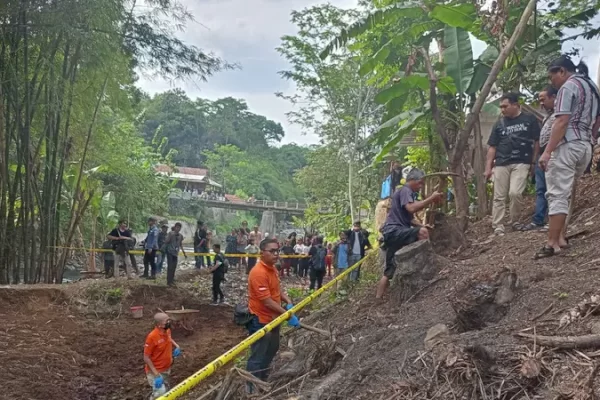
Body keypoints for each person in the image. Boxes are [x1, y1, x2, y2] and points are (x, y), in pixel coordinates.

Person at [536, 56, 600, 258]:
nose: (552, 81)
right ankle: (562, 236)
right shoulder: (592, 87)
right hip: (584, 145)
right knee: (567, 192)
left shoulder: (567, 87)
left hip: (567, 145)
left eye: (552, 76)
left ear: (561, 71)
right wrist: (591, 139)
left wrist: (547, 151)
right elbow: (597, 120)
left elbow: (562, 121)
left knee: (557, 194)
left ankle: (552, 242)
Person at [375, 169, 443, 300]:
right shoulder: (406, 190)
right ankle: (431, 264)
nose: (420, 186)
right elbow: (411, 208)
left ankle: (378, 299)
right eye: (419, 183)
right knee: (423, 233)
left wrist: (422, 225)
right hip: (394, 231)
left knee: (388, 271)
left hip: (391, 233)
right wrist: (431, 198)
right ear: (411, 181)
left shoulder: (403, 193)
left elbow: (409, 219)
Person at [246, 238, 299, 392]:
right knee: (258, 354)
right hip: (260, 320)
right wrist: (288, 315)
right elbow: (267, 302)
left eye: (277, 251)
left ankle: (262, 378)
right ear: (262, 253)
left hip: (275, 318)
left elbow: (277, 290)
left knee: (272, 348)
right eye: (272, 251)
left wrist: (288, 301)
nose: (276, 254)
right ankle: (251, 387)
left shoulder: (272, 269)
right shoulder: (258, 272)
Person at [485, 92, 541, 235]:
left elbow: (537, 141)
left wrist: (534, 161)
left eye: (505, 106)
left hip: (522, 162)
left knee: (515, 193)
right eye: (501, 107)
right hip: (502, 163)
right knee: (499, 196)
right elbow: (492, 146)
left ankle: (515, 220)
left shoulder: (529, 119)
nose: (502, 109)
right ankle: (498, 225)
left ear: (515, 105)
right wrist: (488, 167)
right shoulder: (499, 123)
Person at [521, 87, 558, 231]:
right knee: (541, 189)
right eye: (540, 100)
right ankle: (538, 220)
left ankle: (553, 221)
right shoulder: (548, 116)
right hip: (543, 156)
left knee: (553, 190)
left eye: (544, 99)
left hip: (553, 154)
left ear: (554, 97)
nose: (541, 103)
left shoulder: (561, 115)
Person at [143, 313, 181, 399]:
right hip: (156, 371)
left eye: (169, 320)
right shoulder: (152, 337)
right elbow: (146, 357)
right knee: (160, 393)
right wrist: (156, 375)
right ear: (159, 324)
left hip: (167, 368)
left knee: (166, 390)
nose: (169, 322)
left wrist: (177, 346)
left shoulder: (167, 330)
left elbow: (169, 338)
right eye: (166, 321)